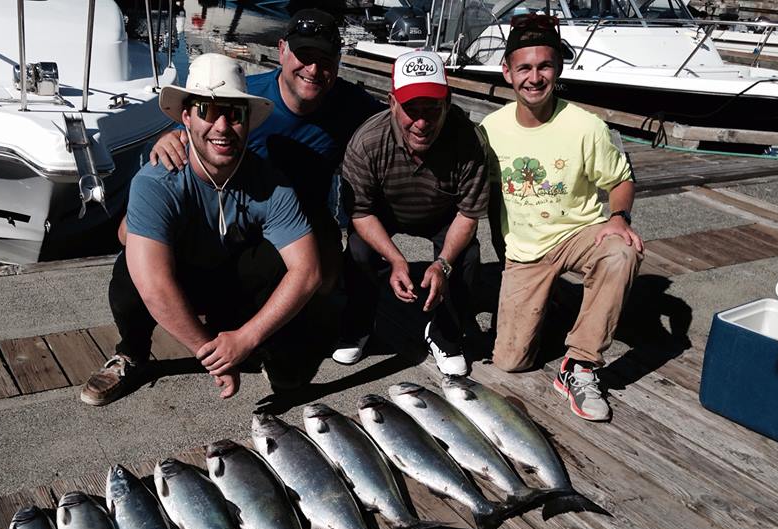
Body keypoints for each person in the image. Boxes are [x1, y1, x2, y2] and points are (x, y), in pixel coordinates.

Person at [80, 53, 320, 406]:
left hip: (229, 281)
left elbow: (308, 271)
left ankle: (254, 343)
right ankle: (132, 354)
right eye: (208, 111)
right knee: (131, 270)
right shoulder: (156, 180)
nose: (222, 126)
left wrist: (246, 338)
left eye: (235, 113)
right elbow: (155, 286)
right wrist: (213, 357)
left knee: (275, 259)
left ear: (248, 122)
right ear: (186, 118)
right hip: (179, 275)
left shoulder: (271, 182)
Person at [142, 9, 384, 293]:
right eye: (305, 56)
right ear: (281, 50)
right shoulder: (247, 101)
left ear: (339, 62)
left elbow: (402, 119)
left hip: (309, 217)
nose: (314, 70)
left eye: (326, 60)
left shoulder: (353, 105)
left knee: (324, 282)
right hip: (244, 215)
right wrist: (168, 138)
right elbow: (199, 129)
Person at [480, 14, 643, 421]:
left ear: (558, 68)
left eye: (544, 66)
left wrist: (619, 218)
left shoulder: (586, 125)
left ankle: (581, 364)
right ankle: (551, 303)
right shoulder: (489, 129)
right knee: (510, 361)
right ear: (507, 72)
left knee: (621, 253)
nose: (534, 78)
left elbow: (621, 180)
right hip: (526, 249)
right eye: (524, 68)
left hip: (578, 232)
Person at [335, 50, 489, 376]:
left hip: (442, 214)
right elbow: (360, 212)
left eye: (431, 109)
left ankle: (445, 334)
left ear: (447, 102)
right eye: (410, 109)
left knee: (467, 256)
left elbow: (468, 214)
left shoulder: (469, 140)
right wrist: (395, 259)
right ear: (392, 102)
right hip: (384, 212)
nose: (421, 123)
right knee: (359, 251)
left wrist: (443, 263)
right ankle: (358, 326)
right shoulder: (366, 141)